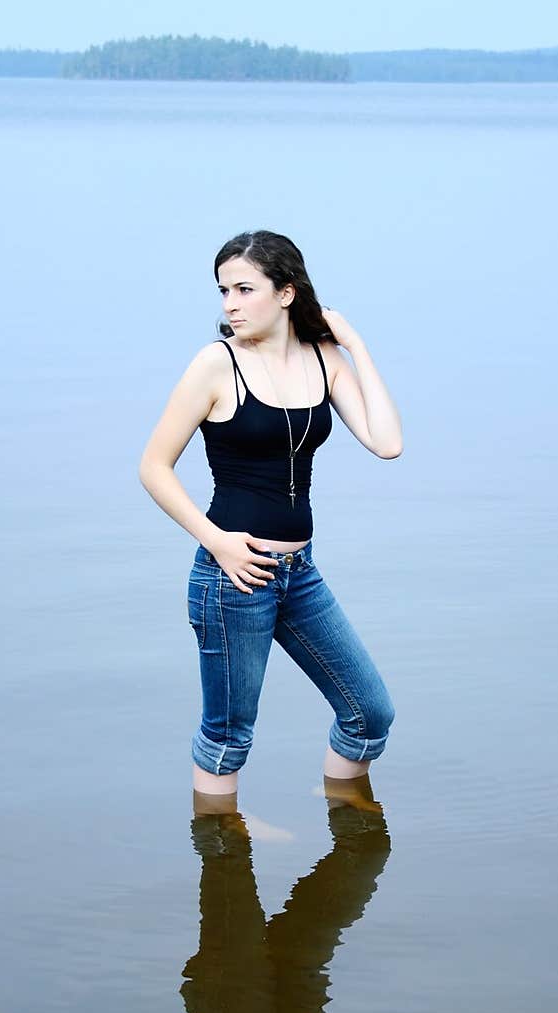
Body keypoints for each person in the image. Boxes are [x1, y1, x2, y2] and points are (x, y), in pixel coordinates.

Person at [138, 230, 402, 801]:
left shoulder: (324, 360)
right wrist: (219, 542)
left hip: (298, 573)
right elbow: (154, 467)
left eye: (243, 289)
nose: (229, 304)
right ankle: (221, 835)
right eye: (223, 291)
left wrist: (355, 344)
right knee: (228, 736)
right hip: (232, 575)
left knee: (369, 713)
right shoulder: (216, 365)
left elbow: (387, 443)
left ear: (286, 293)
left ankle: (346, 815)